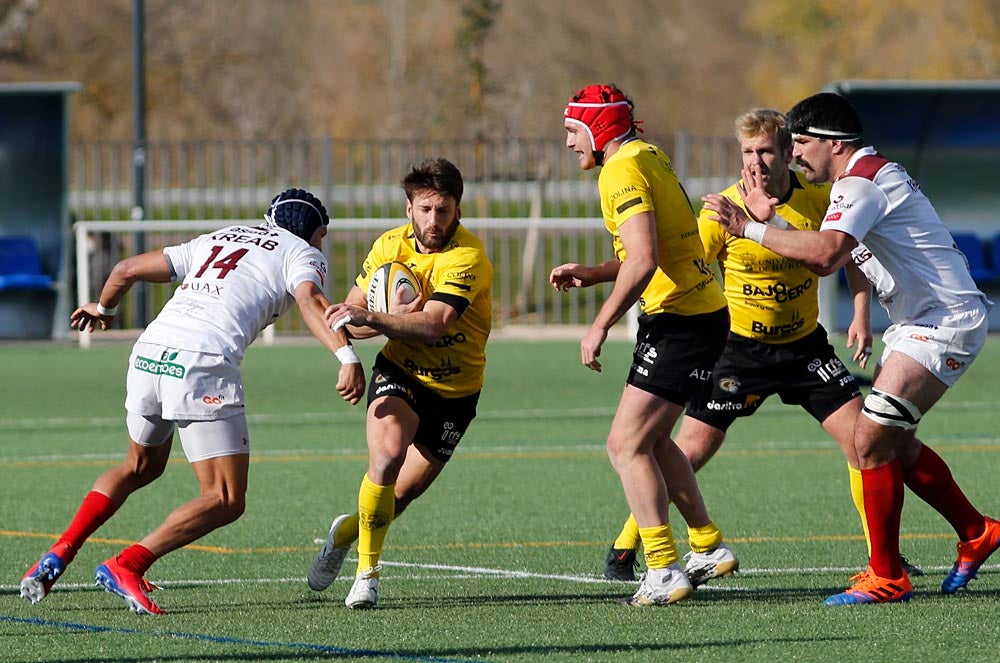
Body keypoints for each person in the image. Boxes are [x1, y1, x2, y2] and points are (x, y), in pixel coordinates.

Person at [703, 91, 999, 605]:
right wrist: (769, 224)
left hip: (944, 323)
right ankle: (977, 532)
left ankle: (887, 575)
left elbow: (824, 256)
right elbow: (833, 255)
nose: (794, 155)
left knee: (867, 440)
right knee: (895, 446)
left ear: (832, 144)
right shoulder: (859, 176)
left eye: (800, 144)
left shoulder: (860, 183)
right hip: (915, 323)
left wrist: (748, 226)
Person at [603, 108, 923, 583]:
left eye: (766, 151)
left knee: (864, 442)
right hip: (739, 351)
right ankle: (626, 545)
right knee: (685, 452)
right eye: (747, 152)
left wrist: (859, 312)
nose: (755, 161)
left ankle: (884, 558)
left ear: (788, 153)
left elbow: (849, 253)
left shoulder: (818, 200)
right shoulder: (721, 211)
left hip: (805, 349)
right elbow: (682, 264)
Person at [19, 189, 366, 615]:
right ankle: (128, 563)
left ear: (267, 218)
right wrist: (346, 355)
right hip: (201, 363)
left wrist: (105, 309)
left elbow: (126, 268)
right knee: (224, 497)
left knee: (138, 466)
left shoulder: (221, 236)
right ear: (319, 233)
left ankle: (59, 552)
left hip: (149, 353)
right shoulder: (301, 252)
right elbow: (311, 300)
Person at [550, 83, 738, 607]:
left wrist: (600, 324)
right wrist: (595, 274)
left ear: (597, 127)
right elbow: (660, 248)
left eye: (571, 131)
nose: (568, 143)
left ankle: (661, 568)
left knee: (624, 445)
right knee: (654, 442)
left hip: (681, 321)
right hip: (699, 315)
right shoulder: (647, 154)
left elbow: (645, 260)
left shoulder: (621, 169)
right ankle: (705, 545)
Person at [307, 157, 493, 610]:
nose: (435, 221)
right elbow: (350, 312)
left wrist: (374, 317)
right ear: (409, 208)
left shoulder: (467, 257)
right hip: (401, 373)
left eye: (444, 210)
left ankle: (343, 534)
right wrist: (356, 331)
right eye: (425, 209)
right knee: (387, 459)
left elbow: (434, 324)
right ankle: (366, 576)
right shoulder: (389, 247)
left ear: (458, 210)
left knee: (401, 495)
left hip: (456, 392)